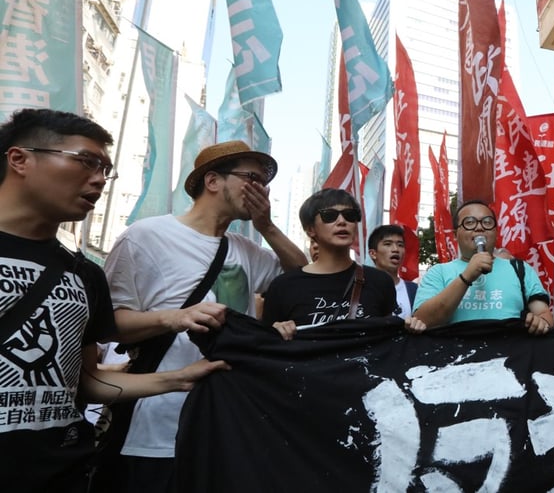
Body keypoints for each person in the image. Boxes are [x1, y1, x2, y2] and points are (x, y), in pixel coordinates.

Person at [0, 109, 224, 492]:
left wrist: (179, 378)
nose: (100, 180)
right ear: (20, 159)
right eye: (86, 161)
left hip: (61, 472)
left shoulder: (85, 274)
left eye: (106, 169)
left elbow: (86, 382)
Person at [103, 140, 307, 492]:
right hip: (157, 424)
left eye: (264, 182)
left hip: (230, 419)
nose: (260, 189)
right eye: (251, 178)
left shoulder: (247, 249)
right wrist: (175, 318)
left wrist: (267, 227)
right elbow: (108, 325)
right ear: (213, 181)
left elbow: (302, 278)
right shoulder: (145, 236)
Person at [262, 191, 424, 339]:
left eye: (349, 215)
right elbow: (268, 349)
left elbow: (389, 340)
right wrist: (276, 332)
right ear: (310, 229)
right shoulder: (283, 286)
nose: (342, 221)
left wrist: (412, 329)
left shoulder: (380, 281)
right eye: (329, 216)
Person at [414, 200, 552, 333]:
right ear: (455, 235)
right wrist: (466, 277)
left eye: (487, 222)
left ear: (496, 232)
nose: (479, 227)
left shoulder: (520, 269)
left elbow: (544, 315)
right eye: (469, 222)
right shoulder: (438, 272)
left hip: (509, 353)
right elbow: (423, 320)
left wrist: (540, 323)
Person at [368, 223, 418, 318]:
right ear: (373, 254)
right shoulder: (361, 287)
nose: (395, 249)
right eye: (388, 244)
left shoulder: (414, 290)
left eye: (400, 245)